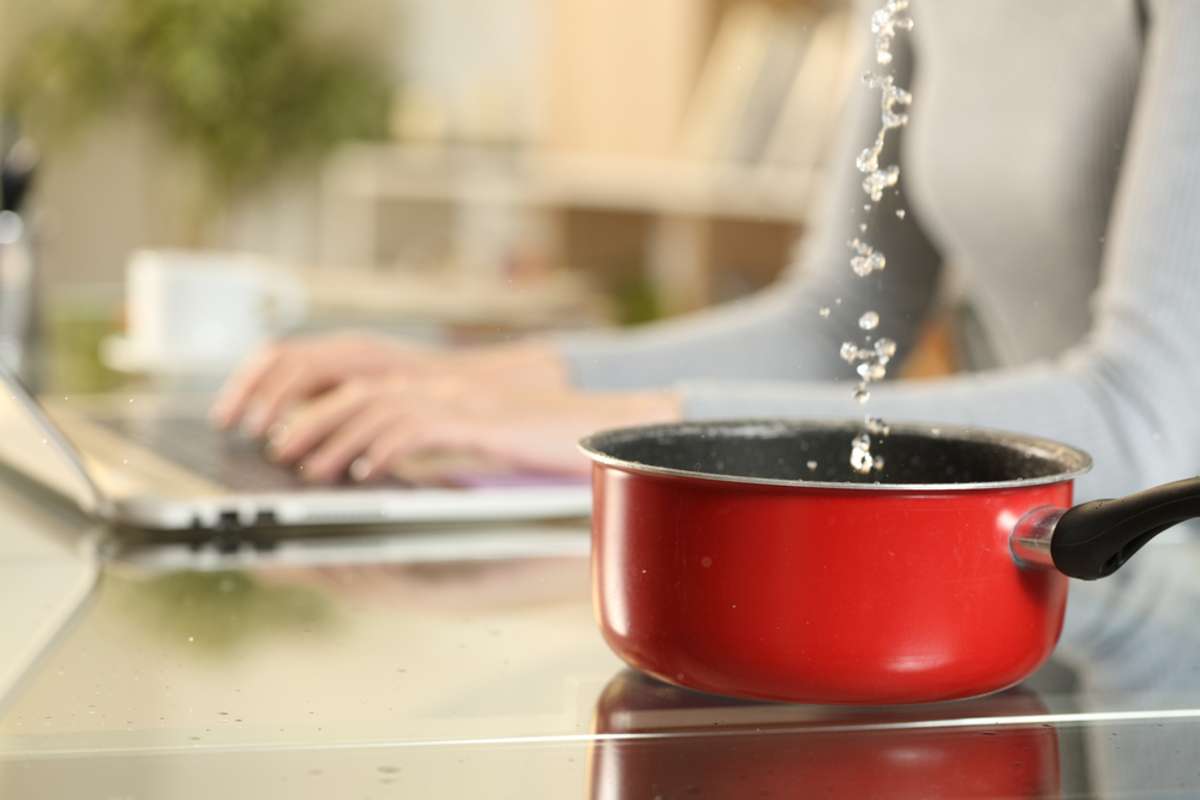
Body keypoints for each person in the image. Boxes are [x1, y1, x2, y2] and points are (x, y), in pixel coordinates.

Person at [212, 0, 1199, 508]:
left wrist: (631, 433)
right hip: (1077, 578)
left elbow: (1149, 420)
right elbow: (839, 321)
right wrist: (481, 385)